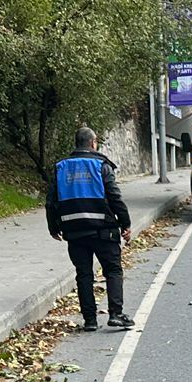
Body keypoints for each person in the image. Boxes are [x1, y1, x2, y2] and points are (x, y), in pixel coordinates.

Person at [48, 126, 134, 332]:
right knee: (112, 270)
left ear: (77, 143)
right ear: (93, 143)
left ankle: (90, 320)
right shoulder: (101, 166)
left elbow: (51, 201)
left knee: (84, 274)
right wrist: (126, 224)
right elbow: (115, 197)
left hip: (74, 232)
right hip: (103, 230)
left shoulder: (61, 167)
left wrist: (54, 227)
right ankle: (116, 314)